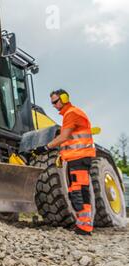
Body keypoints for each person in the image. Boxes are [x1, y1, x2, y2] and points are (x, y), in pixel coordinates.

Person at [35, 89, 96, 236]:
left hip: (79, 157)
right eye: (52, 103)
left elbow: (64, 137)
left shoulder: (71, 113)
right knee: (81, 189)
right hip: (78, 157)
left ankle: (84, 226)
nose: (54, 105)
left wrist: (45, 147)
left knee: (77, 190)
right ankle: (84, 225)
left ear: (64, 98)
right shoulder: (72, 114)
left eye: (56, 102)